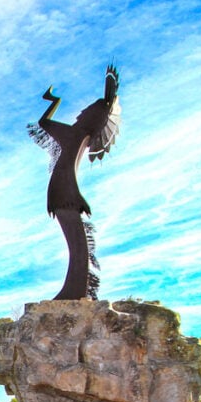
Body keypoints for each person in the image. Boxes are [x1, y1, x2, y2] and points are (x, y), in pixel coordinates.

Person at [29, 65, 121, 300]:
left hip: (64, 191)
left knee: (79, 245)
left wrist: (54, 102)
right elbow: (45, 124)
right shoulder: (75, 135)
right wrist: (53, 101)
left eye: (90, 109)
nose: (84, 109)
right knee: (78, 245)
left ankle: (75, 291)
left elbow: (45, 124)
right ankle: (75, 290)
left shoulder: (78, 135)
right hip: (63, 191)